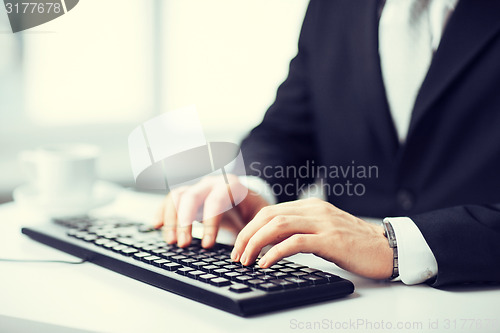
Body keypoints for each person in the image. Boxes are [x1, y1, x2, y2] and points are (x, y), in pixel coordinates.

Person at [156, 0, 500, 287]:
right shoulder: (332, 5)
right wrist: (250, 188)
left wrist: (394, 244)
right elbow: (287, 130)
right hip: (344, 295)